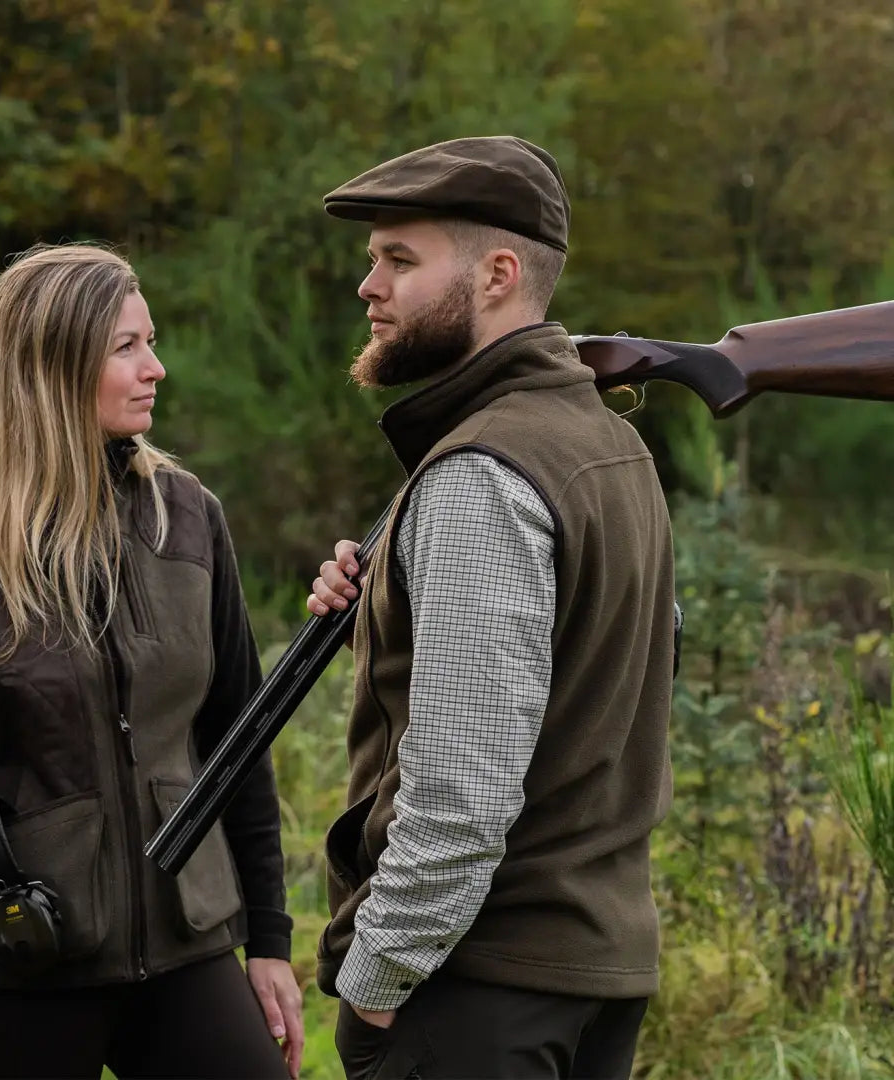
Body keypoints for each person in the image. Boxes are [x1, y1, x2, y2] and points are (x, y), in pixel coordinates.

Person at [0, 242, 304, 1080]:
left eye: (151, 340)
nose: (156, 367)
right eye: (127, 347)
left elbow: (240, 745)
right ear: (53, 366)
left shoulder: (189, 517)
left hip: (182, 948)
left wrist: (269, 942)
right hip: (14, 961)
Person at [306, 137, 676, 1080]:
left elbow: (460, 793)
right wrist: (393, 591)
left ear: (499, 274)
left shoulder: (484, 471)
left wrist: (378, 978)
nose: (369, 287)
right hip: (593, 975)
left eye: (399, 260)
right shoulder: (612, 448)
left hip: (476, 990)